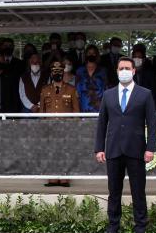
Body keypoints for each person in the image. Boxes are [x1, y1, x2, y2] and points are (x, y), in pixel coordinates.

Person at [95, 56, 156, 233]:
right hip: (113, 150)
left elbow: (152, 123)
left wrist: (150, 148)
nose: (124, 71)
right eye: (121, 68)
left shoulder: (144, 94)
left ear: (133, 71)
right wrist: (99, 148)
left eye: (127, 68)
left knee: (138, 191)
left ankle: (140, 229)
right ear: (116, 71)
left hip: (136, 150)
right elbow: (102, 124)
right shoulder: (108, 95)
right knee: (114, 191)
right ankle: (113, 228)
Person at [40, 60, 80, 188]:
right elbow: (42, 112)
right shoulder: (45, 90)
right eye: (54, 71)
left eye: (59, 71)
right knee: (51, 152)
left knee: (65, 152)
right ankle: (52, 178)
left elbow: (76, 111)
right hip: (50, 127)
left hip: (66, 127)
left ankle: (64, 178)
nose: (57, 73)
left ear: (63, 72)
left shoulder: (71, 89)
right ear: (51, 73)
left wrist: (74, 127)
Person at [75, 45, 106, 113]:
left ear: (97, 55)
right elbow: (77, 90)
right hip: (83, 105)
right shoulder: (80, 71)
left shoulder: (103, 71)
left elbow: (106, 89)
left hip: (99, 106)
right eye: (89, 53)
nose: (91, 55)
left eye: (93, 53)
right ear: (86, 55)